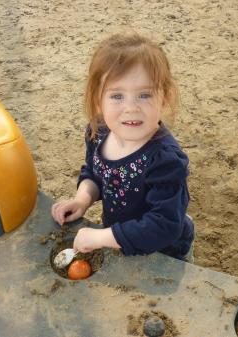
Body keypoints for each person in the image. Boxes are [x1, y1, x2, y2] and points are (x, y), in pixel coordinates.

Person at [51, 33, 194, 261]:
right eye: (117, 96)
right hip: (118, 238)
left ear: (164, 98)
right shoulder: (98, 132)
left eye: (144, 95)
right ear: (99, 100)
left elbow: (164, 226)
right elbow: (95, 172)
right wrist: (82, 199)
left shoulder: (165, 160)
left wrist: (101, 238)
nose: (130, 107)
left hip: (164, 255)